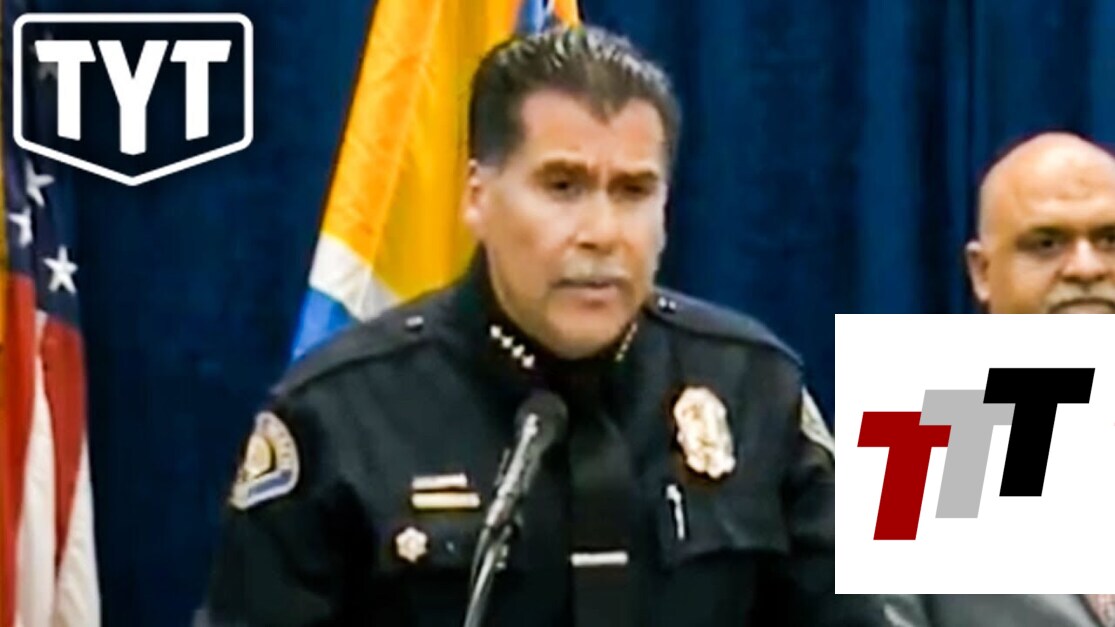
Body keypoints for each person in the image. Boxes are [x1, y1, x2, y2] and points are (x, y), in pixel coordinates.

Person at [200, 26, 886, 626]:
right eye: (562, 186)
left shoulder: (752, 388)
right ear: (477, 196)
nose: (601, 232)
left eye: (633, 191)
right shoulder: (342, 414)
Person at [884, 132, 1115, 627]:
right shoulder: (914, 445)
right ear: (982, 272)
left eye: (1110, 240)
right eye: (1046, 243)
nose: (1086, 267)